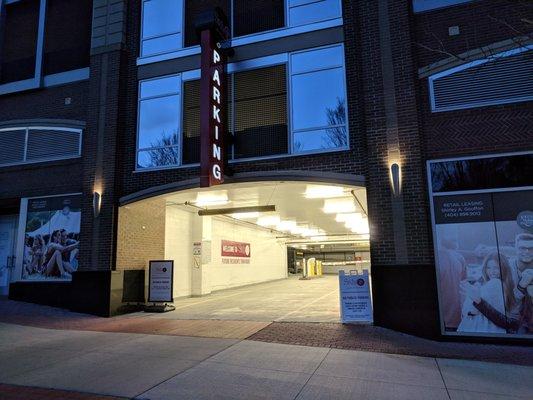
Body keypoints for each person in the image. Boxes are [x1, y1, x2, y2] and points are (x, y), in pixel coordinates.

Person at [458, 252, 515, 334]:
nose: (492, 272)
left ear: (504, 268)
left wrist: (470, 310)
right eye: (488, 268)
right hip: (488, 328)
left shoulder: (495, 283)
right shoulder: (489, 285)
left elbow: (469, 308)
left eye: (496, 268)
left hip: (483, 329)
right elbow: (469, 309)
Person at [437, 229, 467, 330]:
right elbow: (464, 283)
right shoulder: (460, 258)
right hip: (457, 317)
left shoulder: (437, 259)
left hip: (445, 318)